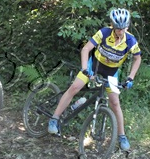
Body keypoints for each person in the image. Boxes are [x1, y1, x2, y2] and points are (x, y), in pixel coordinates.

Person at [47, 8, 142, 151]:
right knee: (75, 87)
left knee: (115, 103)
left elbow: (137, 58)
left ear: (127, 26)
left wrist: (130, 77)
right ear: (112, 25)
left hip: (111, 72)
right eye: (118, 28)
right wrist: (85, 68)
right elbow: (86, 49)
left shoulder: (130, 41)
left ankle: (122, 136)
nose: (120, 31)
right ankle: (54, 119)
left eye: (123, 28)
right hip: (94, 66)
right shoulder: (103, 33)